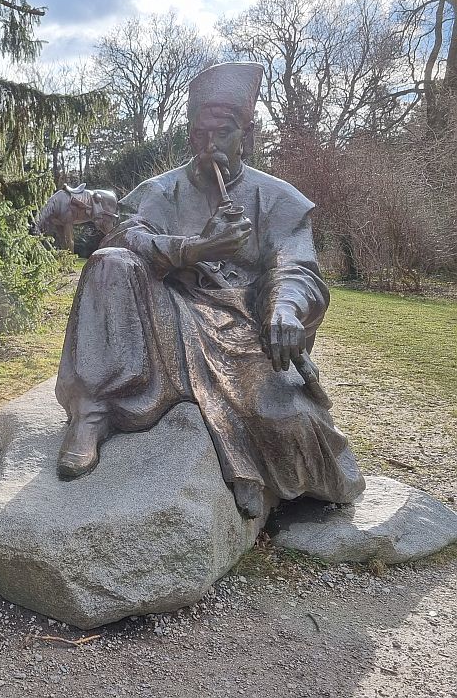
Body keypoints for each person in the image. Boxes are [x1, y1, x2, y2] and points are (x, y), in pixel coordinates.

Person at [54, 62, 365, 518]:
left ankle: (265, 484)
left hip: (244, 328)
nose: (210, 145)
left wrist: (284, 309)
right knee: (110, 262)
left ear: (247, 136)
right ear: (189, 135)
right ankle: (91, 412)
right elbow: (125, 238)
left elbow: (296, 267)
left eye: (224, 133)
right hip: (168, 314)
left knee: (289, 422)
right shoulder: (161, 190)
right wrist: (194, 249)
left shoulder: (276, 197)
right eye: (200, 134)